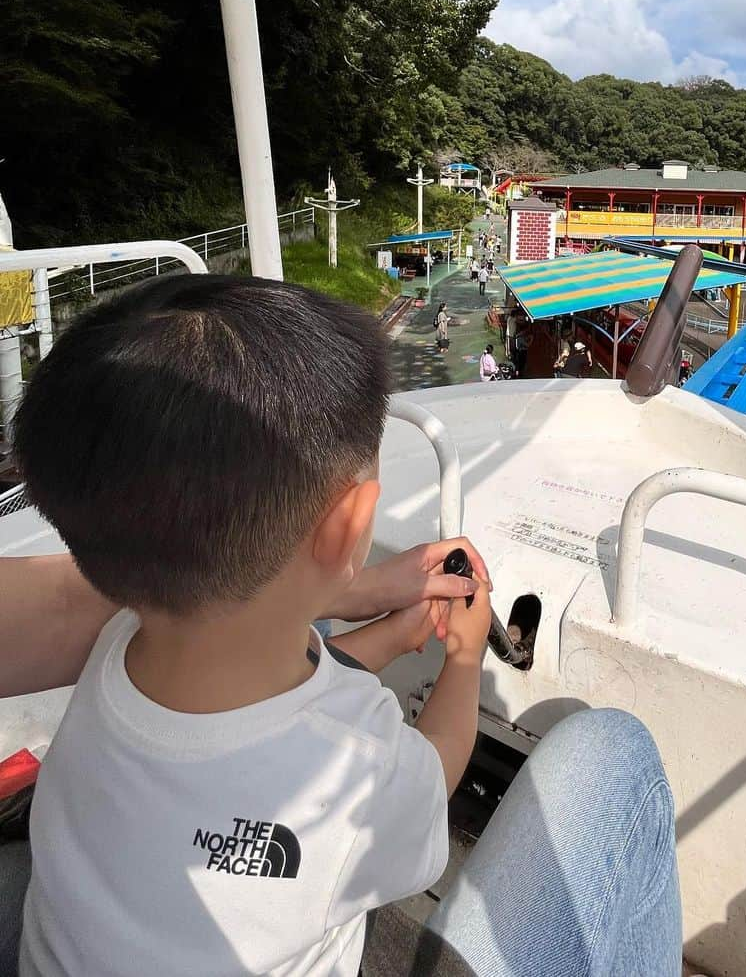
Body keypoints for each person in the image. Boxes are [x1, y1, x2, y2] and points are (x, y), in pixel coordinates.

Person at [10, 274, 496, 976]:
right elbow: (436, 766)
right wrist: (462, 661)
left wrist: (389, 633)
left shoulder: (117, 650)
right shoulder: (362, 768)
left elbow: (259, 716)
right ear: (353, 524)